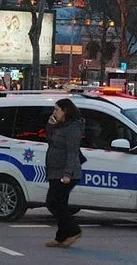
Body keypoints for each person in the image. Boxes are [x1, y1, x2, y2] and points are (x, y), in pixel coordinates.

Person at [44, 98, 85, 248]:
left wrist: (67, 174)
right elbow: (50, 140)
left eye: (57, 109)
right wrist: (51, 125)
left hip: (66, 172)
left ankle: (73, 230)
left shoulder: (73, 128)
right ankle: (61, 236)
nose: (54, 112)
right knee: (58, 203)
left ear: (65, 111)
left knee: (54, 202)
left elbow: (72, 152)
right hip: (55, 170)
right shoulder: (60, 126)